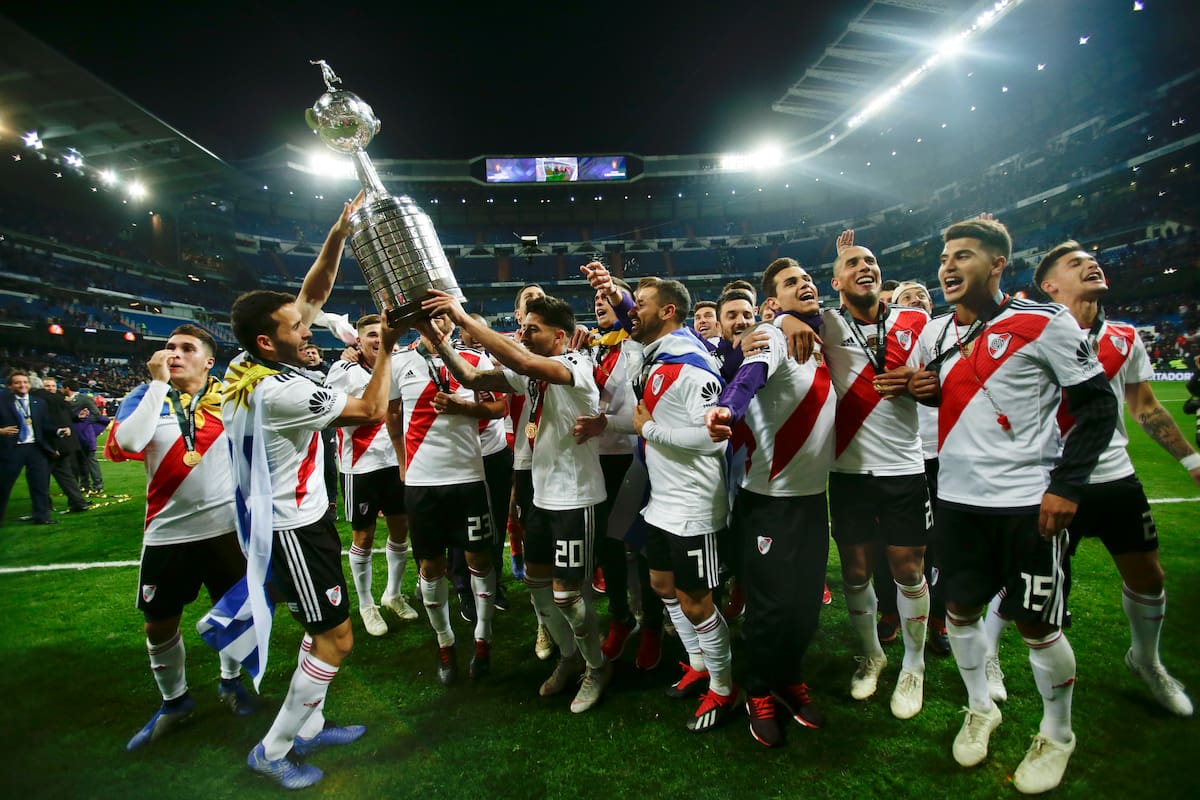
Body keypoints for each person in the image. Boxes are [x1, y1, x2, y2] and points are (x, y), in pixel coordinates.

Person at [910, 217, 1117, 794]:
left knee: (1037, 624)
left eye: (965, 256)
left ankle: (1058, 733)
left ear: (999, 264)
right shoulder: (939, 333)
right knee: (960, 613)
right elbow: (947, 398)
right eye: (945, 257)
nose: (948, 267)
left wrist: (1067, 486)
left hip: (1028, 504)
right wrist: (927, 386)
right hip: (955, 502)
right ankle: (981, 708)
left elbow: (1097, 408)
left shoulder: (1044, 322)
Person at [225, 191, 398, 790]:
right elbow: (374, 407)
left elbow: (313, 295)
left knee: (316, 629)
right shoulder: (284, 393)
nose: (308, 326)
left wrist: (339, 235)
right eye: (296, 327)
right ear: (270, 342)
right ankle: (273, 748)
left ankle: (310, 723)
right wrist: (390, 347)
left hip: (295, 517)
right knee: (335, 638)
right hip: (293, 529)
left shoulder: (247, 365)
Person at [1011, 240, 1194, 716]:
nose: (1090, 263)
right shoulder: (1030, 333)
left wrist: (1192, 462)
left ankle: (1147, 660)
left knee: (1148, 575)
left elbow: (1144, 407)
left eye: (1090, 259)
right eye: (1074, 263)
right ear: (1049, 285)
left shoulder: (1125, 338)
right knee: (1029, 585)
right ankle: (987, 663)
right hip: (1050, 481)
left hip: (1115, 477)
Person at [422, 290, 612, 714]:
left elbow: (523, 361)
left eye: (533, 329)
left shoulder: (575, 364)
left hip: (575, 498)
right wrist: (435, 339)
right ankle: (568, 658)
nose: (524, 336)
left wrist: (460, 316)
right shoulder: (531, 373)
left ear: (560, 336)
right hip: (540, 494)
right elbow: (473, 381)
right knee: (538, 588)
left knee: (567, 596)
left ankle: (597, 667)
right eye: (522, 328)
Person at [777, 231, 932, 719]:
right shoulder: (822, 320)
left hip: (905, 465)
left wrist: (917, 382)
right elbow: (767, 319)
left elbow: (944, 381)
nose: (865, 266)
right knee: (856, 572)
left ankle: (914, 664)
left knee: (909, 570)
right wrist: (782, 317)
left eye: (870, 259)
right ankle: (871, 656)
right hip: (847, 471)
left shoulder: (917, 320)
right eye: (853, 263)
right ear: (836, 280)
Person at [108, 325, 258, 751]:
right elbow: (130, 441)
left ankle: (230, 684)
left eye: (186, 348)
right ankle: (175, 701)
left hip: (226, 529)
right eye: (169, 346)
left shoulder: (231, 395)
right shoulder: (145, 396)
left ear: (209, 360)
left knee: (232, 613)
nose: (173, 353)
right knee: (159, 623)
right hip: (167, 532)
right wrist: (157, 385)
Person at [705, 258, 835, 747]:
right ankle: (758, 688)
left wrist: (800, 317)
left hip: (811, 501)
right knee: (769, 608)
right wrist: (727, 409)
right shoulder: (774, 337)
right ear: (771, 301)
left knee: (804, 607)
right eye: (789, 283)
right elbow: (750, 377)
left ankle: (787, 678)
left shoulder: (824, 338)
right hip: (769, 501)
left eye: (806, 278)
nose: (804, 284)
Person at [628, 277, 738, 732]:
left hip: (694, 505)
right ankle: (697, 662)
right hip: (661, 502)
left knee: (696, 602)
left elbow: (713, 443)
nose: (632, 311)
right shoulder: (656, 359)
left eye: (640, 304)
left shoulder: (693, 368)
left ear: (668, 310)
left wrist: (649, 430)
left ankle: (726, 688)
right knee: (661, 584)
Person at [387, 314, 503, 684]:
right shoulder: (400, 362)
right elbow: (391, 415)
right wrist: (403, 462)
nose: (438, 324)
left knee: (479, 560)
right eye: (429, 318)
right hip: (422, 484)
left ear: (452, 323)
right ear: (417, 323)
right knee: (431, 568)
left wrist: (464, 407)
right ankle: (445, 641)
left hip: (468, 477)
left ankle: (483, 638)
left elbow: (498, 408)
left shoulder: (474, 361)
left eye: (443, 317)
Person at [575, 264, 665, 671]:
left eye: (607, 299)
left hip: (635, 458)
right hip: (595, 459)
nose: (599, 303)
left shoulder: (640, 345)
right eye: (595, 300)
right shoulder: (589, 347)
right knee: (606, 547)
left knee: (642, 547)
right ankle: (620, 616)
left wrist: (613, 289)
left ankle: (651, 625)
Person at [323, 314, 418, 637]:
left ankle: (392, 594)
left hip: (398, 461)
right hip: (360, 466)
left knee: (399, 529)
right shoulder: (343, 371)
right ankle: (366, 604)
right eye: (371, 336)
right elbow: (329, 412)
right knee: (362, 537)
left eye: (383, 334)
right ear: (358, 341)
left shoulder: (403, 361)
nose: (378, 340)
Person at [0, 370, 59, 525]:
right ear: (10, 386)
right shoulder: (2, 401)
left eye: (25, 382)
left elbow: (44, 425)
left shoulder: (38, 402)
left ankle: (41, 516)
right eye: (18, 382)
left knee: (39, 483)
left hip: (35, 448)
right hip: (12, 448)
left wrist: (58, 430)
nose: (22, 385)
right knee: (4, 484)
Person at [33, 376, 90, 514]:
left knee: (42, 476)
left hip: (56, 445)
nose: (50, 389)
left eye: (52, 386)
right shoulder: (58, 400)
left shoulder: (45, 401)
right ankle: (78, 503)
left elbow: (60, 420)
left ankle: (45, 506)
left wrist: (78, 417)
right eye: (47, 386)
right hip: (63, 444)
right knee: (65, 475)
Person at [63, 380, 108, 494]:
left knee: (90, 459)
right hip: (73, 434)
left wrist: (83, 421)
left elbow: (96, 414)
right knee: (79, 460)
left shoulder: (84, 399)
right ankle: (84, 485)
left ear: (66, 388)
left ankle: (98, 485)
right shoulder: (64, 400)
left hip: (85, 434)